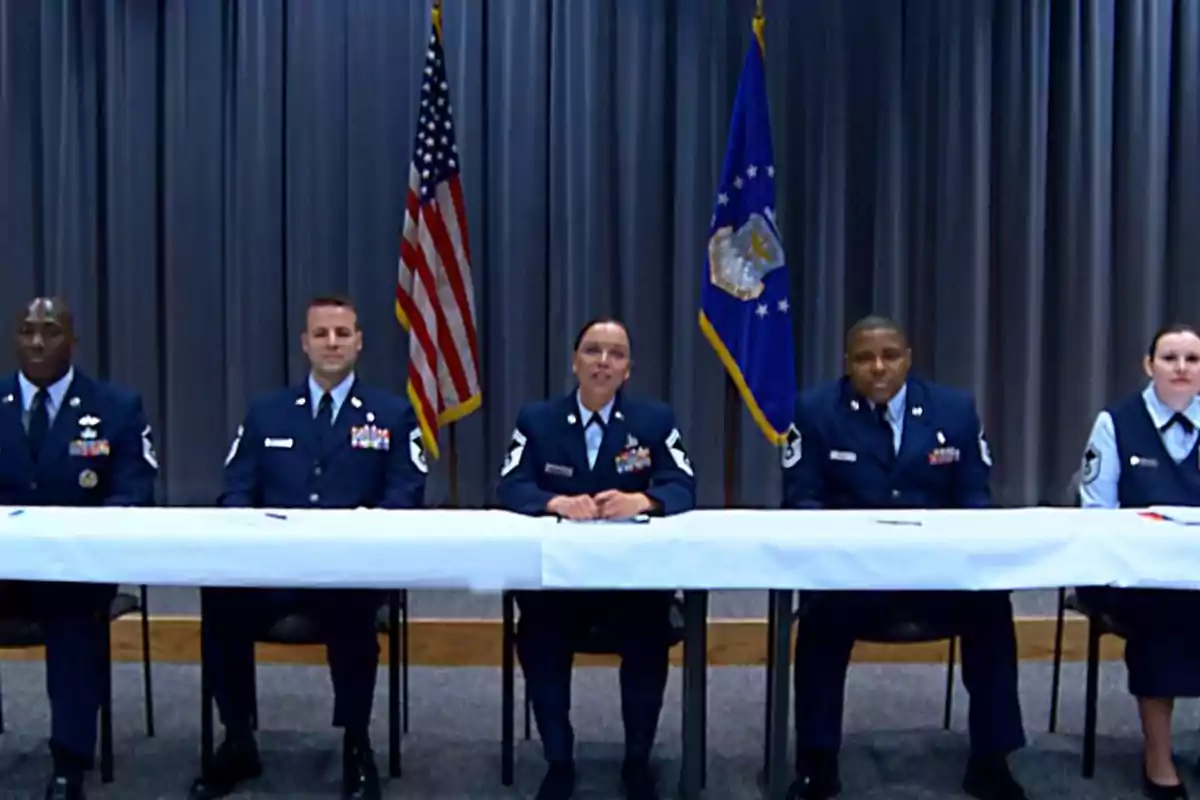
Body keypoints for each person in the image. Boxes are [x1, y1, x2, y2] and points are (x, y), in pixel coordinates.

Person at [188, 295, 427, 800]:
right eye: (322, 334)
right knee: (219, 599)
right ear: (304, 343)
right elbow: (235, 490)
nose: (332, 343)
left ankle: (356, 741)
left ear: (360, 342)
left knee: (353, 608)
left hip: (348, 573)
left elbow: (405, 493)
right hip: (271, 572)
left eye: (343, 333)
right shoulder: (267, 411)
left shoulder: (392, 413)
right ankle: (237, 738)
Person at [780, 315, 1027, 800]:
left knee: (992, 609)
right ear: (846, 364)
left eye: (889, 356)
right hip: (851, 578)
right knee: (818, 618)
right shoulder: (813, 412)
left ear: (908, 359)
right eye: (863, 358)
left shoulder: (954, 411)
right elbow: (801, 500)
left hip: (938, 578)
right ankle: (817, 761)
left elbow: (976, 499)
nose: (877, 368)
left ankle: (991, 760)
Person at [496, 317, 695, 800]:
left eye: (616, 354)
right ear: (574, 361)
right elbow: (510, 485)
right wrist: (555, 503)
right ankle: (559, 761)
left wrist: (644, 501)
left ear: (628, 369)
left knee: (649, 638)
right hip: (557, 586)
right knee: (540, 639)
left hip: (632, 586)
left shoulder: (654, 421)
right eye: (593, 350)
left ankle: (636, 762)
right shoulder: (537, 420)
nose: (603, 361)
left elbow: (684, 485)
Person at [0, 297, 158, 800]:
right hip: (4, 572)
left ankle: (69, 760)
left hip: (76, 572)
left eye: (50, 331)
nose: (38, 342)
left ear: (74, 342)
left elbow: (134, 490)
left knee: (72, 620)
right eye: (27, 331)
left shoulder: (116, 407)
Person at [1077, 324, 1200, 800]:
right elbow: (1097, 511)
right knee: (1165, 616)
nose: (1182, 368)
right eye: (1170, 358)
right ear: (1149, 366)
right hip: (1134, 574)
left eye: (1192, 359)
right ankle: (1159, 758)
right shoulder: (1116, 424)